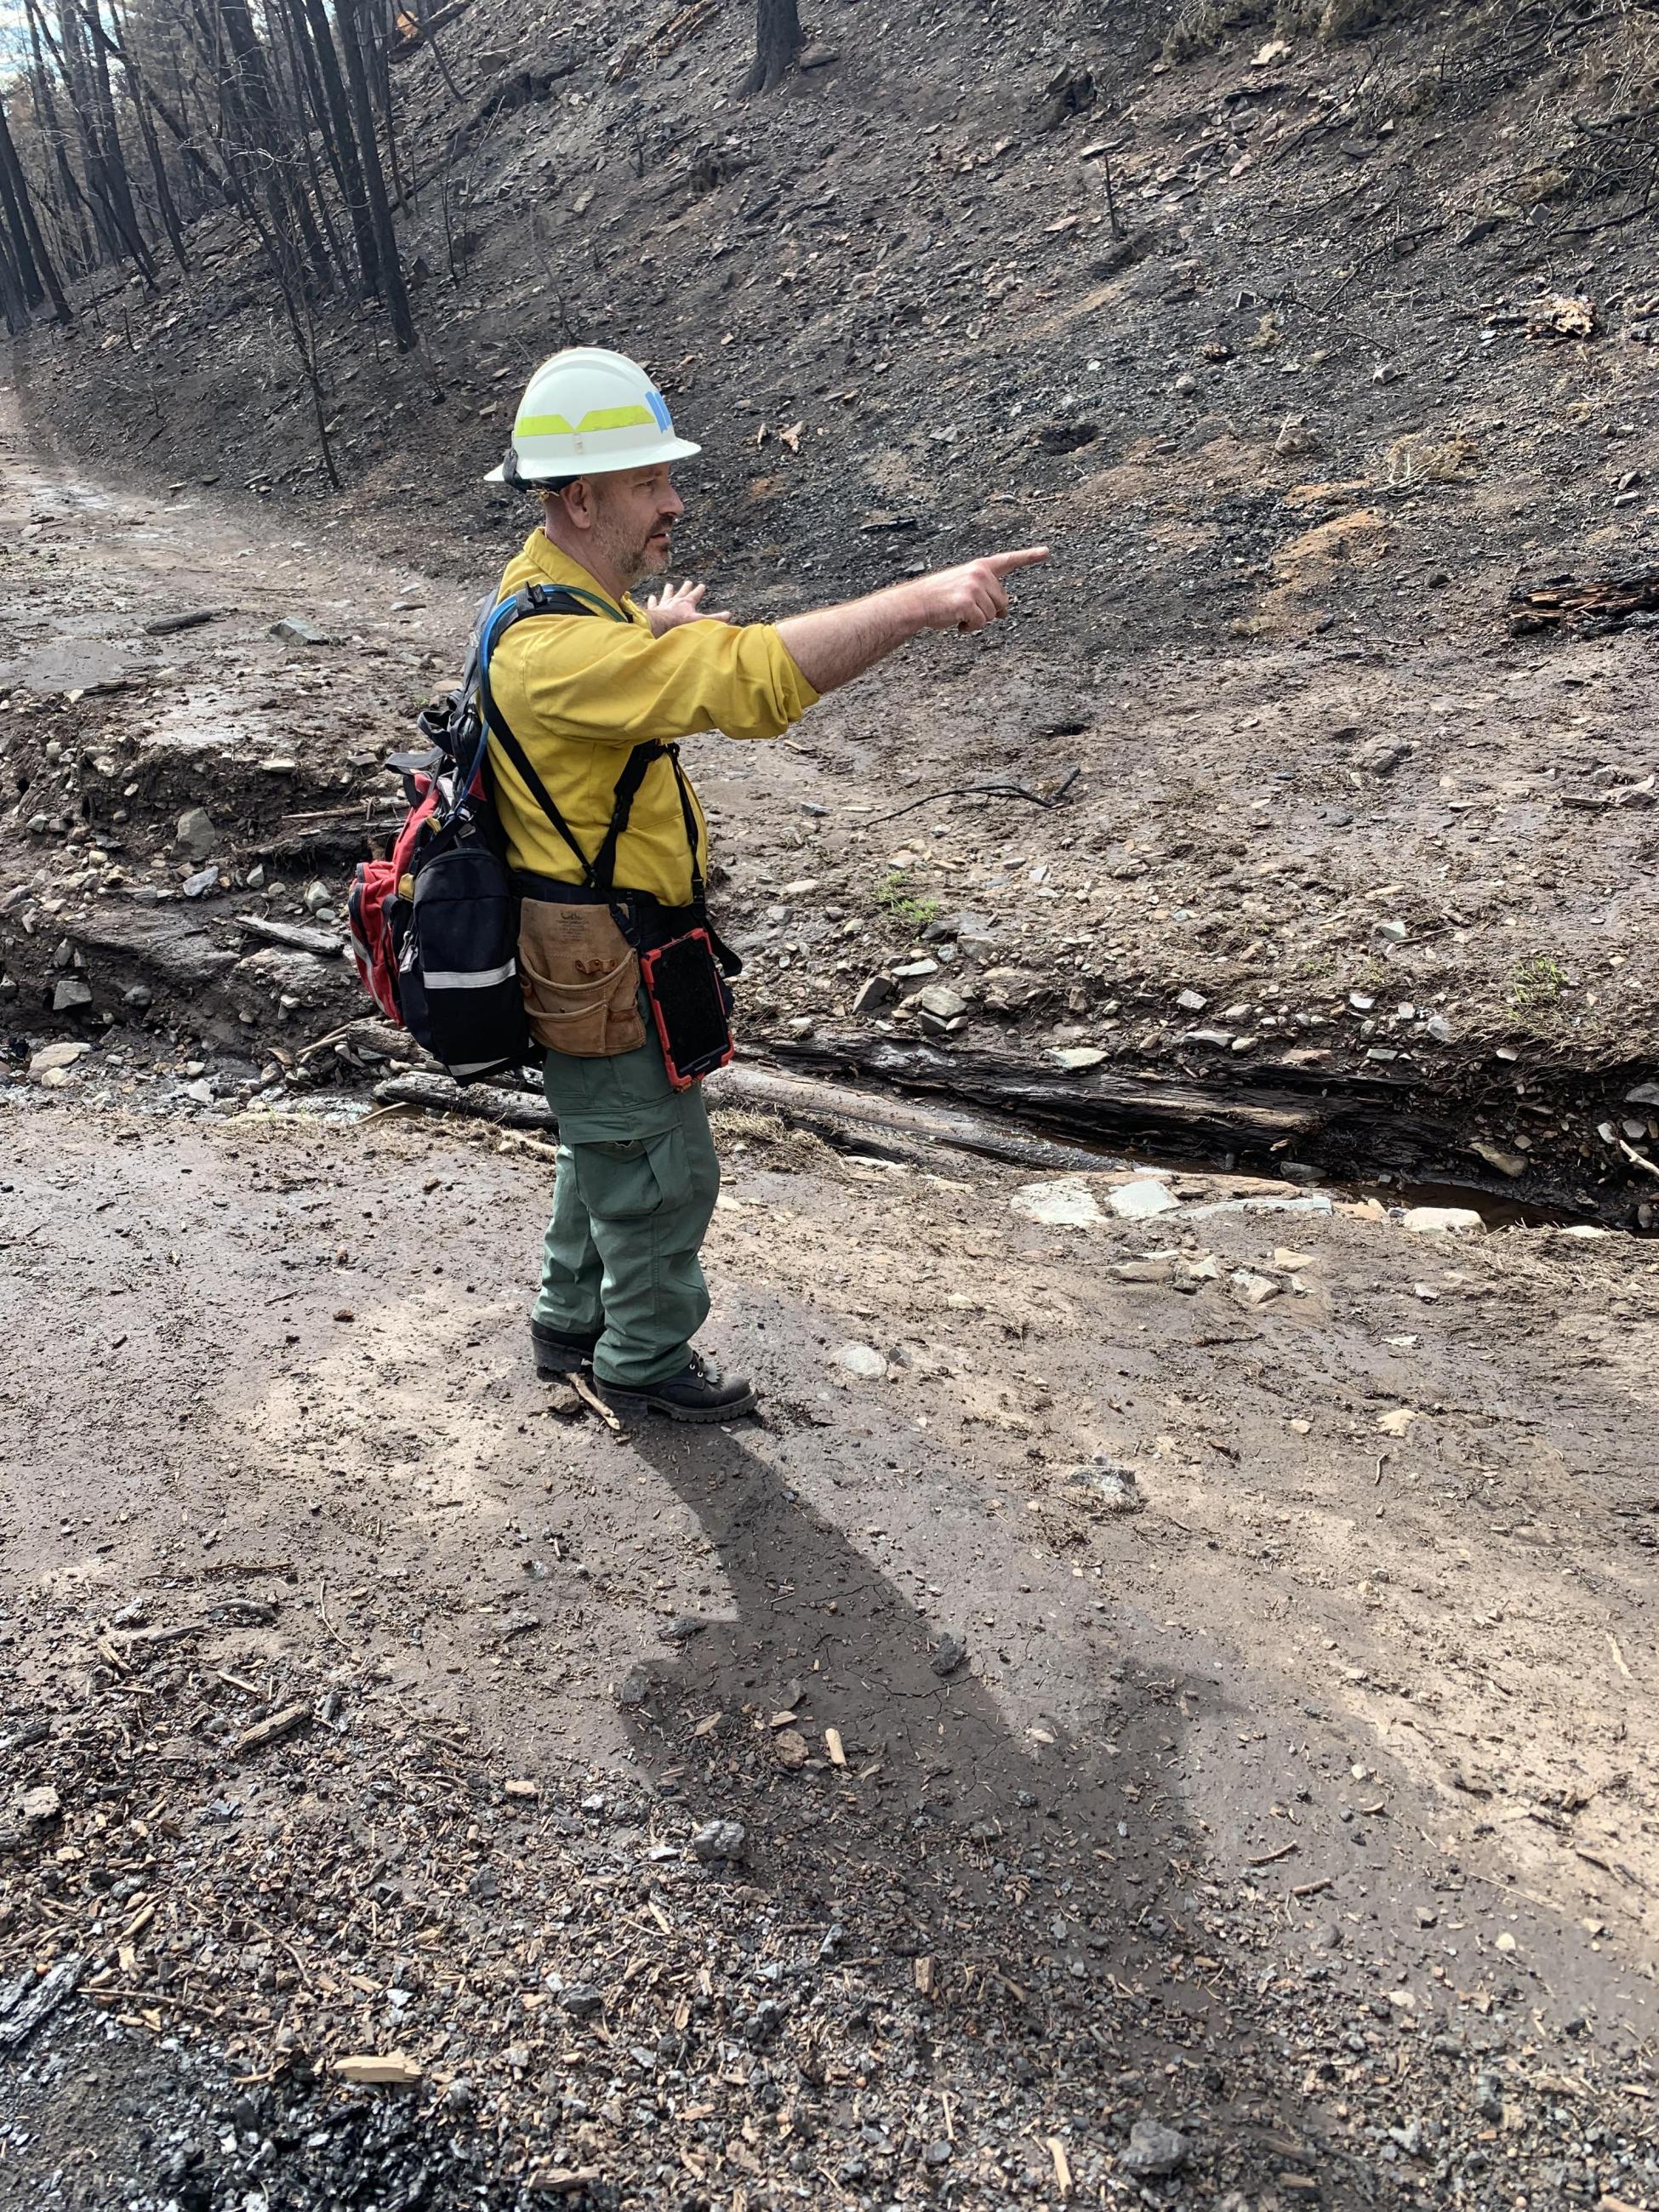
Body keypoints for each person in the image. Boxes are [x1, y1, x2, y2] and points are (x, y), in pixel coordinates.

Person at [482, 345, 1046, 1422]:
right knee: (663, 1167)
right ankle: (642, 1367)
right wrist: (921, 602)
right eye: (651, 483)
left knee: (610, 1137)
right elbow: (746, 684)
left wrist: (649, 625)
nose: (674, 502)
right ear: (579, 496)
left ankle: (571, 1320)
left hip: (602, 942)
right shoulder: (554, 650)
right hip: (601, 950)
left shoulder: (550, 598)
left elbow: (589, 654)